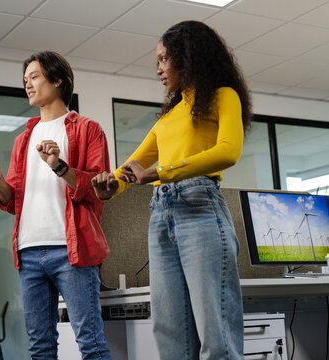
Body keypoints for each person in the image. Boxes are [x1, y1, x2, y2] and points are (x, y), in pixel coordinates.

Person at [92, 20, 252, 360]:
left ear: (187, 56)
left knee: (216, 334)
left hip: (200, 206)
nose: (159, 70)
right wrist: (111, 185)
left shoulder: (224, 95)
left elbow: (228, 151)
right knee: (170, 334)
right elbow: (131, 168)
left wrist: (160, 172)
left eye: (164, 59)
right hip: (161, 213)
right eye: (158, 62)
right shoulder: (169, 116)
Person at [0, 51, 112, 360]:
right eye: (25, 80)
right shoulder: (23, 139)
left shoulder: (87, 129)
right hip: (28, 252)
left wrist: (59, 166)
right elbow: (12, 201)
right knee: (40, 348)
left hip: (71, 250)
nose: (28, 84)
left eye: (34, 77)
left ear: (58, 79)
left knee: (90, 343)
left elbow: (95, 189)